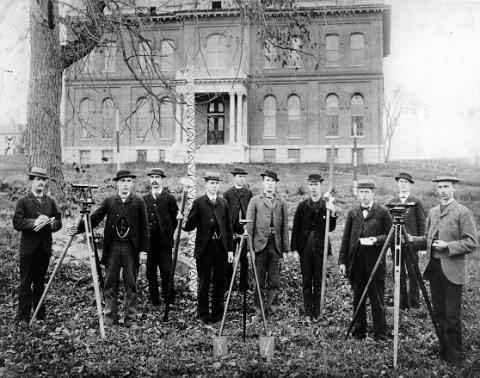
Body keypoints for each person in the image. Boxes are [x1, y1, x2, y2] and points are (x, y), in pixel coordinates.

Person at [409, 175, 477, 365]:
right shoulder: (432, 212)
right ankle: (443, 351)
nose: (443, 190)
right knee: (439, 313)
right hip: (435, 270)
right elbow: (426, 240)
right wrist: (413, 240)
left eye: (446, 187)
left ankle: (455, 358)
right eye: (440, 187)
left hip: (453, 271)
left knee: (452, 316)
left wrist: (448, 245)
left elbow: (471, 242)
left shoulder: (463, 213)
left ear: (453, 189)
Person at [68, 170, 149, 328]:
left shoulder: (138, 202)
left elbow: (145, 229)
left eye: (128, 181)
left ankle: (130, 320)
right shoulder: (109, 201)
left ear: (131, 183)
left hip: (131, 250)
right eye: (123, 181)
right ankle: (109, 318)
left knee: (131, 284)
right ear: (117, 183)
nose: (126, 184)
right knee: (110, 283)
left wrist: (143, 251)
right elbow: (94, 219)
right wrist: (77, 229)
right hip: (112, 248)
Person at [338, 178, 392, 341]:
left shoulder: (382, 212)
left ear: (373, 193)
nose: (364, 196)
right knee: (358, 300)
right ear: (358, 194)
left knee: (377, 301)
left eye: (367, 192)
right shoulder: (353, 213)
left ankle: (380, 335)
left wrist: (377, 240)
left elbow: (392, 235)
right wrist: (342, 261)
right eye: (361, 192)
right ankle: (359, 333)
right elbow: (346, 238)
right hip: (357, 265)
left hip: (375, 264)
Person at [180, 171, 234, 324]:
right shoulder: (199, 203)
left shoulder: (223, 203)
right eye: (211, 183)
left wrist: (230, 250)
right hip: (204, 249)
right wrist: (182, 220)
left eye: (216, 183)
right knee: (203, 283)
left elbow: (228, 229)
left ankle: (217, 316)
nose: (214, 186)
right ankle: (203, 315)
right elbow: (190, 226)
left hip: (221, 249)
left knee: (220, 283)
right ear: (206, 184)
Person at [13, 167, 62, 323]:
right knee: (26, 283)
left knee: (40, 283)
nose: (41, 182)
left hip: (44, 249)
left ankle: (40, 317)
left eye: (43, 180)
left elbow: (58, 221)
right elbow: (17, 222)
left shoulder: (50, 200)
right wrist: (35, 222)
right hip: (28, 250)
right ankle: (23, 318)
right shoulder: (23, 201)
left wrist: (51, 224)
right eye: (38, 179)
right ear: (32, 181)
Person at [291, 173, 337, 323]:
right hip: (305, 249)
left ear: (320, 186)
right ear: (308, 186)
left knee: (318, 281)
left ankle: (318, 312)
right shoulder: (302, 206)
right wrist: (295, 250)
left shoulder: (326, 205)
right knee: (306, 281)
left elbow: (331, 228)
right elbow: (296, 229)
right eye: (311, 185)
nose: (313, 188)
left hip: (320, 250)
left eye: (316, 185)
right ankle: (308, 313)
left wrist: (333, 211)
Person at [246, 169, 289, 320]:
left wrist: (285, 249)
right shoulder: (255, 201)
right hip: (259, 245)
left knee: (274, 281)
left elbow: (284, 227)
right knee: (258, 280)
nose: (270, 184)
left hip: (275, 245)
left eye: (273, 181)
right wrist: (249, 248)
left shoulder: (281, 202)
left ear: (276, 184)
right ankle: (258, 311)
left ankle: (272, 310)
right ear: (263, 182)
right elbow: (249, 226)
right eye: (267, 181)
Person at [143, 168, 178, 306]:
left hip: (164, 243)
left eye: (157, 177)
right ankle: (155, 301)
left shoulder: (169, 198)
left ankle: (169, 301)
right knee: (150, 273)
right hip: (149, 243)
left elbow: (175, 220)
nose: (154, 180)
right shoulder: (145, 199)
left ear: (162, 179)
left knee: (166, 271)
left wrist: (167, 232)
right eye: (152, 177)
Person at [390, 172, 426, 309]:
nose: (403, 184)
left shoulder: (416, 201)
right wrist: (388, 246)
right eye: (401, 182)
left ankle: (415, 303)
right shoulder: (393, 202)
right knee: (398, 271)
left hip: (412, 243)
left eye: (406, 182)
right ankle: (402, 303)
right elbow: (389, 225)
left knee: (413, 272)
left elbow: (422, 223)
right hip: (396, 243)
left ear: (410, 185)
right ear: (398, 184)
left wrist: (421, 245)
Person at [223, 167, 253, 291]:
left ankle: (244, 286)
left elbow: (251, 211)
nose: (241, 179)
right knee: (229, 257)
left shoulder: (248, 193)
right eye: (239, 176)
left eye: (243, 177)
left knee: (244, 258)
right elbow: (224, 213)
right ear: (234, 177)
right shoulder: (228, 194)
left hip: (244, 230)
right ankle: (229, 285)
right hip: (231, 230)